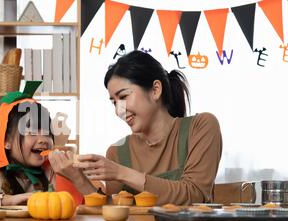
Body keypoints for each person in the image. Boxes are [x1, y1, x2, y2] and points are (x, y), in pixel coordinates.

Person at [49, 50, 222, 205]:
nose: (119, 110)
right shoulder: (117, 152)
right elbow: (113, 211)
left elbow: (195, 194)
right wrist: (78, 179)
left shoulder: (201, 127)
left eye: (124, 96)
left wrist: (120, 173)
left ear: (155, 90)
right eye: (114, 102)